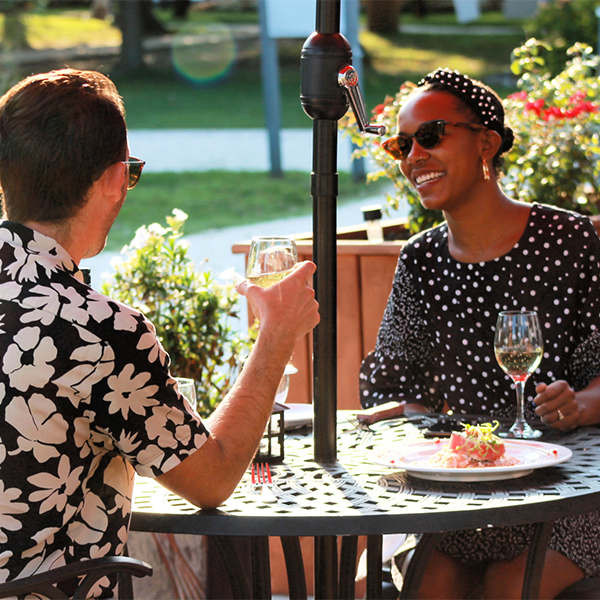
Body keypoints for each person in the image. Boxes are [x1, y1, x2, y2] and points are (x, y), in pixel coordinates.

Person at [0, 69, 319, 597]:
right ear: (110, 178)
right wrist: (277, 335)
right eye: (131, 172)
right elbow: (211, 481)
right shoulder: (98, 333)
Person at [359, 67, 600, 599]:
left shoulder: (568, 240)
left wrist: (577, 405)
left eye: (431, 136)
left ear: (487, 143)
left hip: (567, 489)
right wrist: (418, 418)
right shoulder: (420, 260)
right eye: (402, 144)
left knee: (508, 587)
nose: (413, 157)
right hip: (462, 492)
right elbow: (392, 384)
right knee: (414, 587)